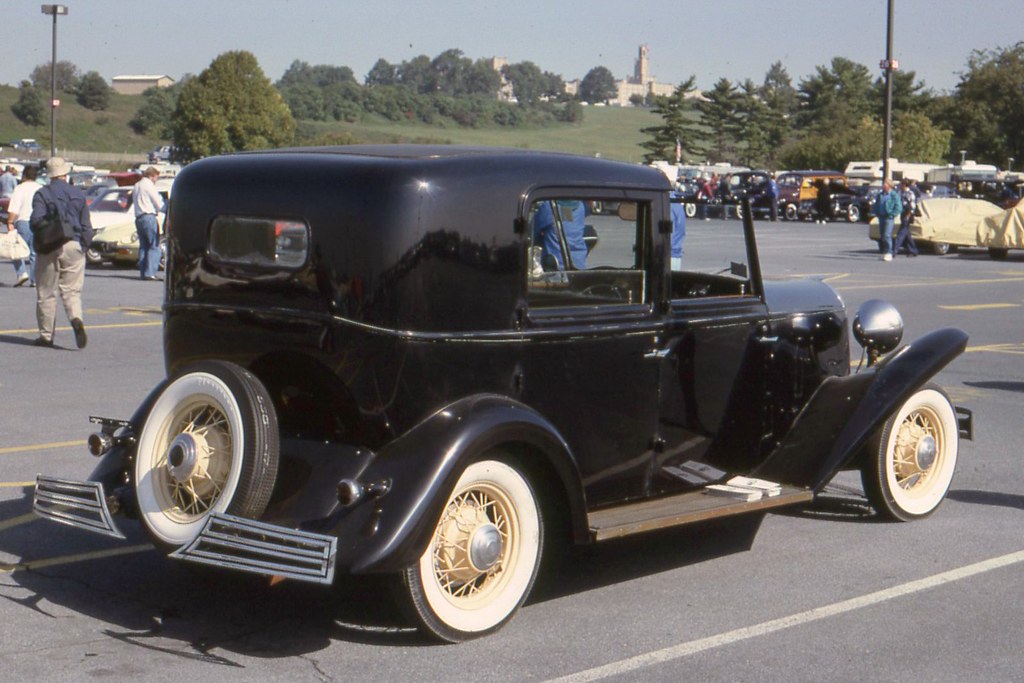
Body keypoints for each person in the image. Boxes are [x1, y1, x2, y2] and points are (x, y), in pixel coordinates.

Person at [29, 157, 93, 348]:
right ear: (66, 174)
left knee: (47, 292)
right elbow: (86, 226)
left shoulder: (42, 193)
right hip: (74, 244)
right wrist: (83, 245)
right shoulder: (78, 194)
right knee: (72, 291)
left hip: (51, 245)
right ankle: (75, 318)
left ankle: (47, 335)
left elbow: (35, 221)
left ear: (49, 175)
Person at [5, 164, 43, 287]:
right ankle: (35, 279)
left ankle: (21, 273)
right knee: (35, 252)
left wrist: (10, 222)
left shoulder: (20, 188)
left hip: (23, 221)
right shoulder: (40, 188)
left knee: (16, 249)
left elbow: (14, 208)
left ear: (24, 175)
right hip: (38, 222)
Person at [131, 166, 167, 280]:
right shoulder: (148, 185)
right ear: (151, 176)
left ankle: (143, 272)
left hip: (138, 217)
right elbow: (158, 203)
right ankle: (150, 272)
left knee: (143, 246)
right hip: (148, 216)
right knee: (154, 245)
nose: (156, 180)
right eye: (156, 177)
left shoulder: (137, 185)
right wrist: (166, 208)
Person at [532, 199, 587, 270]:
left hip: (555, 265)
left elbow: (532, 230)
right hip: (578, 262)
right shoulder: (580, 207)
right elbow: (568, 226)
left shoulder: (549, 206)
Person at [873, 178, 902, 262]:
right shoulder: (880, 194)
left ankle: (889, 252)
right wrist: (875, 212)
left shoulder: (894, 195)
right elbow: (876, 204)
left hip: (889, 217)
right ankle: (885, 251)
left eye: (885, 184)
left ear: (889, 185)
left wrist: (892, 214)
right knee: (882, 235)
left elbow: (898, 207)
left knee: (887, 235)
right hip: (881, 217)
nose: (883, 186)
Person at [894, 178, 920, 257]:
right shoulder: (900, 193)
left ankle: (894, 251)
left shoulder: (910, 193)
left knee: (901, 234)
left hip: (908, 215)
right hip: (902, 214)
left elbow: (912, 206)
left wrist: (908, 216)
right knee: (907, 234)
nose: (900, 186)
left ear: (905, 185)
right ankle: (914, 250)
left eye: (901, 184)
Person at [670, 191, 686, 270]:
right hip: (676, 253)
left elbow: (668, 234)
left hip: (667, 255)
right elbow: (681, 230)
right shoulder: (677, 204)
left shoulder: (666, 204)